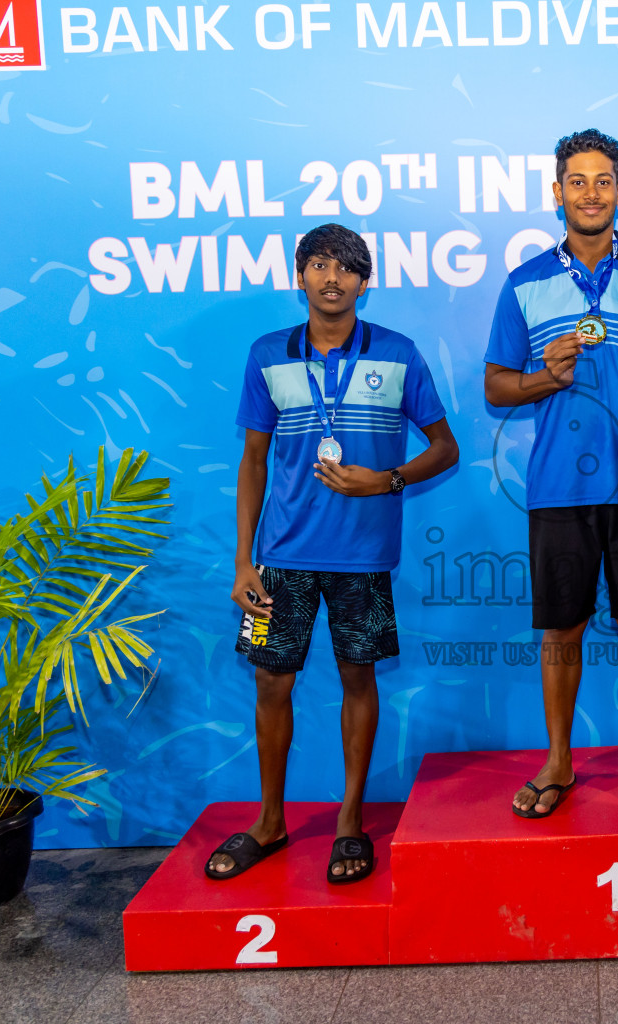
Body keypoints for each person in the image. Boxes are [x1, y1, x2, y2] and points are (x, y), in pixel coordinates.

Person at [207, 223, 458, 884]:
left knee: (358, 679)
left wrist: (387, 478)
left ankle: (350, 820)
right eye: (318, 265)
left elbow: (445, 447)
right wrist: (242, 562)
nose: (332, 278)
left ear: (363, 283)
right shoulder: (266, 354)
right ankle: (270, 820)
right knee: (271, 683)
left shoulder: (400, 354)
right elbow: (252, 462)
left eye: (346, 269)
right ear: (300, 277)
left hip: (363, 557)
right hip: (279, 558)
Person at [483, 128, 618, 818]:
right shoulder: (525, 283)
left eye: (602, 179)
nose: (590, 192)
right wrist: (543, 379)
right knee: (563, 629)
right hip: (557, 487)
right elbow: (495, 388)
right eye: (576, 180)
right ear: (557, 193)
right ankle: (558, 762)